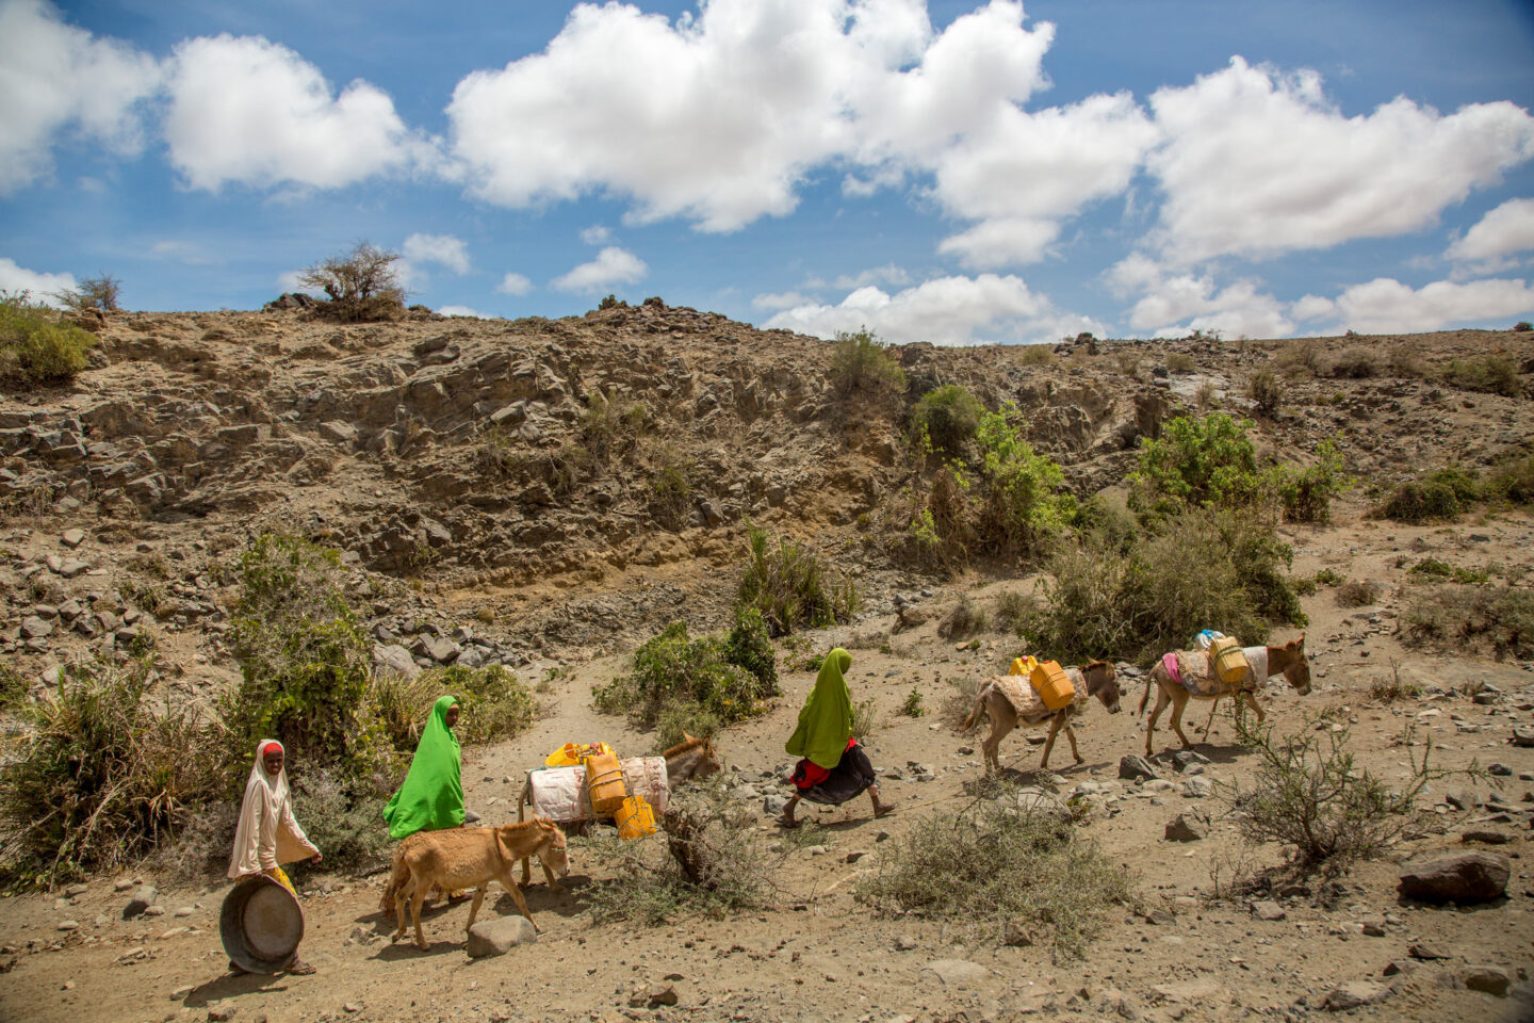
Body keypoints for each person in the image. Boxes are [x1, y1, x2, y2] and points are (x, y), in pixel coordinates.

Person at [227, 739, 321, 976]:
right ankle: (290, 959)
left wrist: (308, 847)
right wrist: (252, 865)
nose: (276, 765)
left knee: (256, 913)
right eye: (271, 761)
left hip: (266, 860)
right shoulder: (259, 785)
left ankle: (243, 961)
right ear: (262, 762)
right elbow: (252, 828)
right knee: (286, 907)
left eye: (279, 760)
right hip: (258, 864)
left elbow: (288, 819)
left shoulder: (278, 783)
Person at [779, 648, 895, 828]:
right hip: (838, 740)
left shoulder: (816, 690)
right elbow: (846, 714)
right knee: (861, 767)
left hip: (823, 742)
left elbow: (806, 714)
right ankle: (789, 807)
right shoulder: (840, 689)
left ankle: (876, 804)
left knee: (815, 775)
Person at [383, 694, 465, 840]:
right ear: (441, 714)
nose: (454, 718)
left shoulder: (450, 737)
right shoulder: (433, 739)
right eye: (450, 714)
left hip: (449, 789)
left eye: (456, 714)